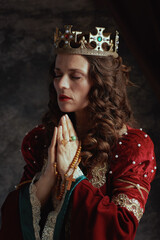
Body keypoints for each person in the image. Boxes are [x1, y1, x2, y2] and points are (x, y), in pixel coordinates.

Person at [0, 25, 156, 240]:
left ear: (100, 83)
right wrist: (47, 176)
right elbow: (11, 221)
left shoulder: (130, 146)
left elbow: (120, 229)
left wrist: (72, 175)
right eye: (57, 74)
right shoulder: (41, 139)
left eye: (75, 76)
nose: (61, 84)